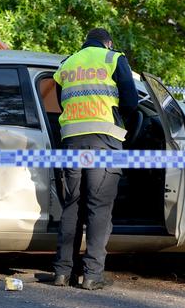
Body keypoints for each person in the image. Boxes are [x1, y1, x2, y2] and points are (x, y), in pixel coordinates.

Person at [53, 28, 138, 290]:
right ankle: (92, 275)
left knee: (72, 206)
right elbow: (132, 103)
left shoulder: (67, 64)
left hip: (72, 141)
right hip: (104, 140)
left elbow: (61, 102)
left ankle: (62, 273)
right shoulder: (113, 59)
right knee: (98, 208)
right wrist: (118, 119)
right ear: (108, 42)